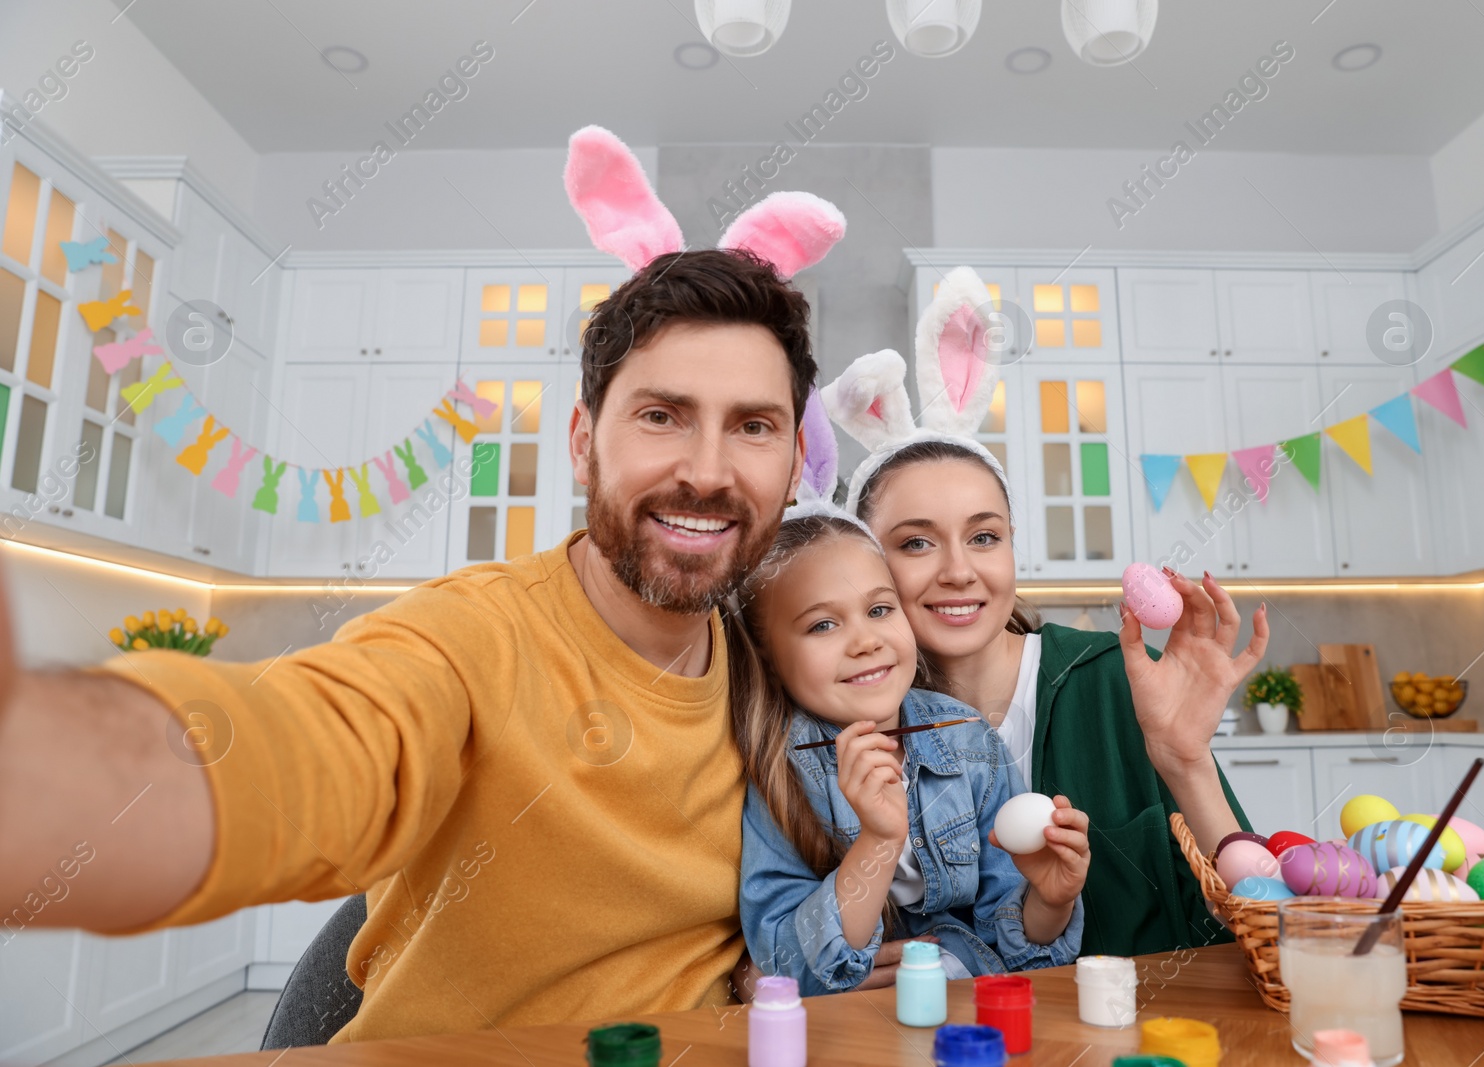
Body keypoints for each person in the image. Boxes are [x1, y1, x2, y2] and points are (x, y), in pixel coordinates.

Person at [0, 127, 856, 1039]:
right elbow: (311, 745)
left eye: (753, 426)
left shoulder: (773, 669)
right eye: (661, 415)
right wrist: (44, 767)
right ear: (581, 439)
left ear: (796, 460)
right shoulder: (472, 638)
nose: (708, 469)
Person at [823, 266, 1270, 959]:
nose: (958, 568)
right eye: (915, 542)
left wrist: (1186, 763)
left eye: (984, 536)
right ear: (866, 566)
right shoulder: (844, 726)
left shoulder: (1115, 681)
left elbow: (1261, 925)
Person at [727, 412, 1085, 995]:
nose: (865, 639)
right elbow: (783, 961)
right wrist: (878, 841)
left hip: (967, 1005)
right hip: (851, 1027)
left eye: (878, 609)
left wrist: (1051, 898)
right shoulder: (779, 768)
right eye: (822, 625)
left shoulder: (966, 737)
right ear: (767, 656)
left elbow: (1019, 943)